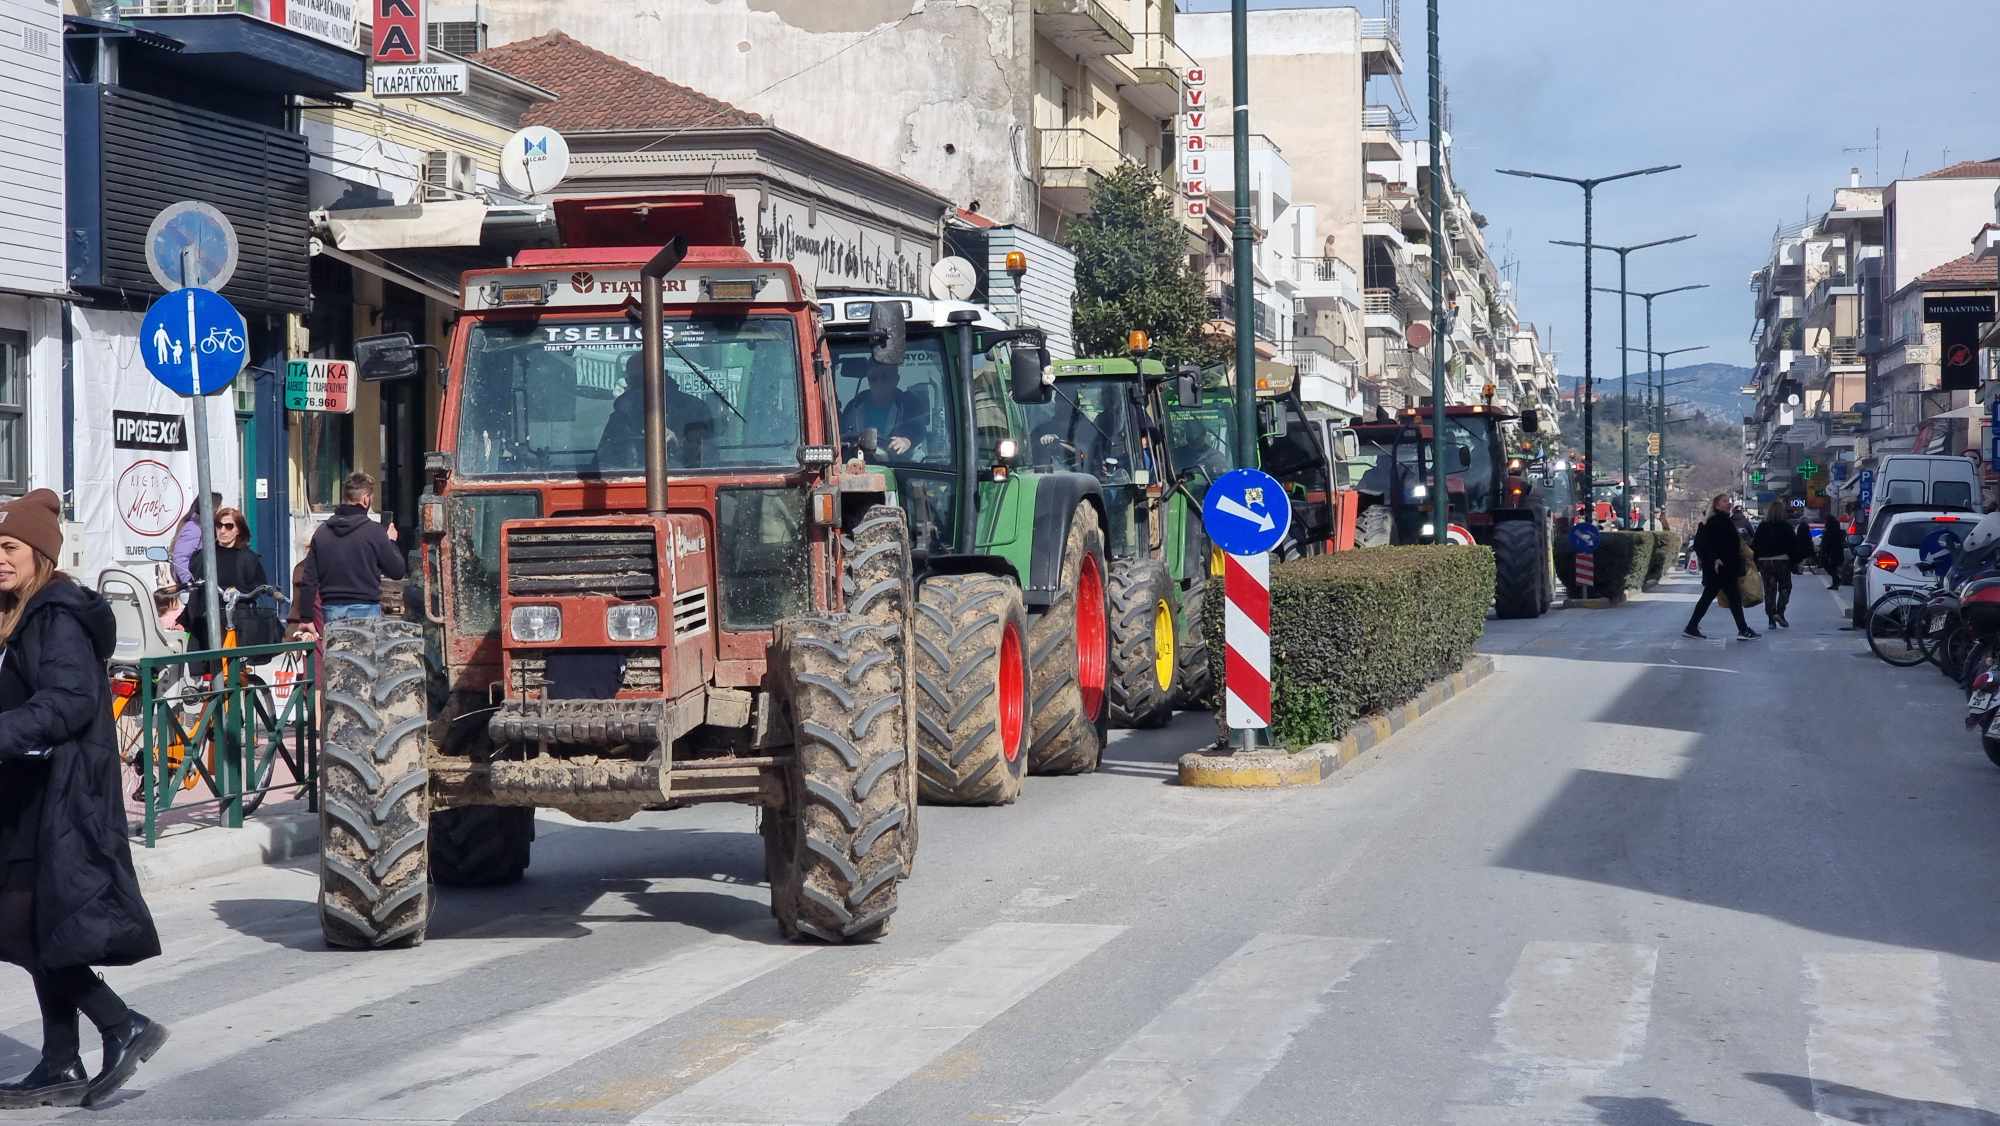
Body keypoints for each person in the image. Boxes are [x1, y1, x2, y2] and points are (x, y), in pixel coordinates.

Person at [0, 490, 166, 1109]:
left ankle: (121, 1025)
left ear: (40, 554)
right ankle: (60, 1061)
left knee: (23, 933)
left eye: (10, 547)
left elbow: (69, 701)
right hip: (23, 796)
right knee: (39, 929)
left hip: (57, 798)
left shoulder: (56, 617)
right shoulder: (17, 614)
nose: (0, 558)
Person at [301, 474, 405, 623]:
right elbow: (397, 571)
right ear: (365, 499)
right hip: (366, 607)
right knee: (364, 646)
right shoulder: (374, 532)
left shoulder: (322, 532)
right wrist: (391, 541)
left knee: (337, 647)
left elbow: (309, 579)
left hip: (332, 609)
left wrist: (306, 618)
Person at [596, 352, 715, 471]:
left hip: (682, 478)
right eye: (637, 380)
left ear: (662, 376)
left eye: (649, 378)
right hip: (629, 480)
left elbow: (709, 460)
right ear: (629, 382)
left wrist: (677, 443)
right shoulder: (620, 417)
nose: (645, 386)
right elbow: (602, 464)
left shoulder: (694, 409)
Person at [181, 506, 271, 649]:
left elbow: (259, 587)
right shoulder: (202, 556)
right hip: (203, 622)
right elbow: (195, 590)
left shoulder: (248, 558)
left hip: (234, 623)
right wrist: (183, 618)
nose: (222, 531)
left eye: (229, 526)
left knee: (233, 667)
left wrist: (238, 592)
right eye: (219, 525)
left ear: (238, 530)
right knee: (201, 668)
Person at [1687, 493, 1758, 640]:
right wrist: (1715, 559)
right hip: (1721, 568)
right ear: (1716, 505)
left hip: (1723, 568)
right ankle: (1743, 630)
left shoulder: (1722, 520)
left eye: (1729, 501)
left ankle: (1692, 626)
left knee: (1721, 598)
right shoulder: (1715, 522)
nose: (1729, 503)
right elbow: (1704, 545)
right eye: (1725, 501)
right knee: (1731, 598)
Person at [839, 360, 928, 457]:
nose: (879, 383)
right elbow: (843, 435)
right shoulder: (854, 406)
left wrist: (906, 441)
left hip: (901, 465)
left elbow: (919, 429)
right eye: (873, 378)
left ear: (896, 380)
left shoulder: (909, 404)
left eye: (884, 378)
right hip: (860, 464)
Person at [1750, 500, 1796, 629]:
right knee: (1785, 587)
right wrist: (1795, 562)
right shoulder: (1786, 527)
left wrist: (1756, 561)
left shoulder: (1762, 526)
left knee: (1769, 590)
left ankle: (1771, 618)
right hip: (1782, 561)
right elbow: (1793, 545)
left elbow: (1755, 545)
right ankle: (1780, 612)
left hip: (1765, 562)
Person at [168, 493, 223, 588]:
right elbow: (180, 558)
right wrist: (190, 582)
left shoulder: (205, 527)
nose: (222, 510)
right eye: (220, 507)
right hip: (192, 590)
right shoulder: (195, 528)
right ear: (212, 508)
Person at [1821, 510, 1849, 589]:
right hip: (1837, 552)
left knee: (1830, 566)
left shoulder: (1830, 530)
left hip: (1831, 552)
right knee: (1833, 568)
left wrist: (1824, 551)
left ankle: (1836, 580)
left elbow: (1827, 542)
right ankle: (1835, 582)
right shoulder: (1837, 530)